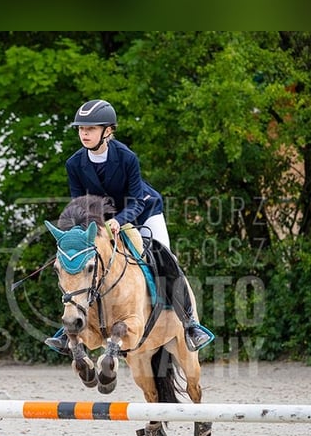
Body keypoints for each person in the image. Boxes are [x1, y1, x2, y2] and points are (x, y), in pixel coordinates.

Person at [45, 99, 213, 354]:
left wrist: (119, 221)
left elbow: (136, 200)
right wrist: (79, 231)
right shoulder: (74, 163)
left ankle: (191, 324)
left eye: (91, 129)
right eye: (81, 129)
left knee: (166, 256)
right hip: (101, 222)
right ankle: (68, 327)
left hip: (142, 212)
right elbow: (79, 203)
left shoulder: (126, 157)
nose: (84, 134)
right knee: (80, 262)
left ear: (108, 131)